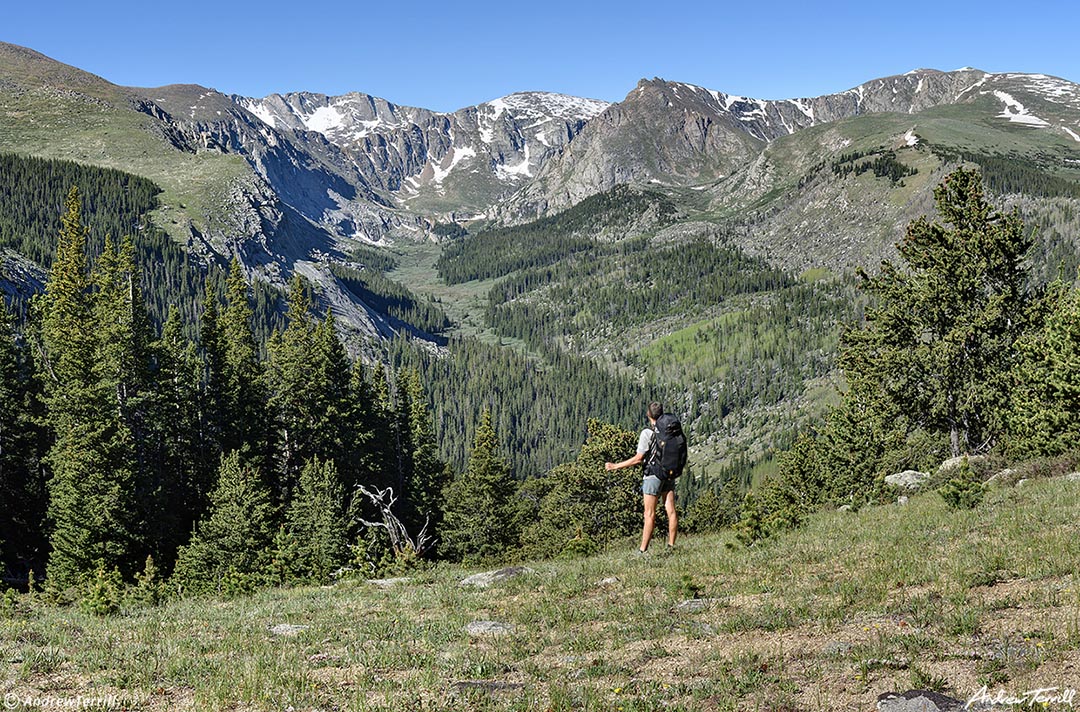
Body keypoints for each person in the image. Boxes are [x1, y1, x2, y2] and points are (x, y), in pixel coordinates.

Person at [605, 401, 677, 554]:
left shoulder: (647, 433)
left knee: (649, 514)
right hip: (669, 473)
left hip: (652, 475)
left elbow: (638, 458)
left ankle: (642, 550)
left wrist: (615, 466)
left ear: (648, 414)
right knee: (670, 509)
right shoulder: (670, 431)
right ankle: (671, 546)